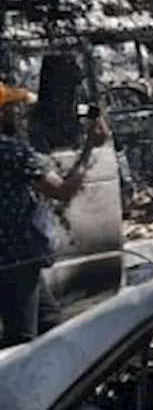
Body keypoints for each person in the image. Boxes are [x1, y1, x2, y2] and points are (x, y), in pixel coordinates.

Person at [0, 85, 109, 348]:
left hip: (13, 258)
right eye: (12, 108)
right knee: (22, 339)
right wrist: (89, 150)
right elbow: (63, 190)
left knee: (50, 322)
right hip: (16, 258)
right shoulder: (11, 152)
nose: (20, 113)